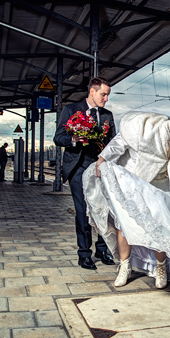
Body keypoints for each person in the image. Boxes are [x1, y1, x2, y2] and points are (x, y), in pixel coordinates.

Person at [83, 112, 170, 289]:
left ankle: (161, 268)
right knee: (124, 224)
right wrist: (101, 160)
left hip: (159, 187)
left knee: (160, 226)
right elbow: (121, 141)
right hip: (133, 181)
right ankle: (124, 266)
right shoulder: (149, 131)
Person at [53, 77, 116, 270]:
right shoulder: (71, 110)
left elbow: (113, 143)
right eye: (103, 94)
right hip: (78, 167)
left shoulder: (107, 115)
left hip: (100, 168)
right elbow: (58, 138)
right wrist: (74, 139)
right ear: (92, 92)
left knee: (104, 210)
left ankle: (102, 249)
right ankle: (84, 254)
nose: (106, 99)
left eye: (107, 95)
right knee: (83, 211)